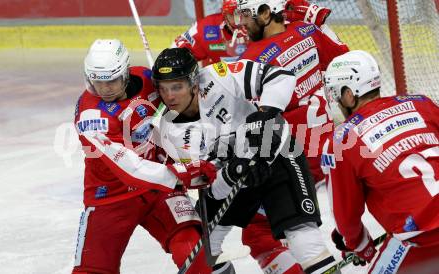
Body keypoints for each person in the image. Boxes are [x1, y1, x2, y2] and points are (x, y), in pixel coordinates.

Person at [151, 47, 339, 274]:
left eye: (176, 87)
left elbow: (280, 76)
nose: (169, 96)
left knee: (302, 239)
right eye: (163, 88)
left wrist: (265, 112)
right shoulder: (169, 131)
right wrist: (232, 173)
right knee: (201, 251)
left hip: (276, 154)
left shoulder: (218, 76)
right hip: (231, 178)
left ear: (193, 82)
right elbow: (211, 189)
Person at [72, 39, 217, 274]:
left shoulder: (146, 79)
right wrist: (179, 173)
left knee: (193, 248)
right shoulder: (92, 118)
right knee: (93, 270)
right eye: (98, 82)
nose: (105, 89)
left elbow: (180, 101)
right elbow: (131, 170)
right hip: (111, 197)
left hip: (157, 189)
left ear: (126, 73)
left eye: (112, 81)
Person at [234, 0, 349, 272]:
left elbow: (246, 120)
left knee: (256, 233)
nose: (241, 23)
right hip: (330, 147)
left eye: (247, 15)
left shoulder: (252, 59)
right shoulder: (307, 32)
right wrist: (318, 22)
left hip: (293, 159)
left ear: (266, 13)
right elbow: (345, 59)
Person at [322, 50, 439, 273]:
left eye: (336, 94)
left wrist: (359, 244)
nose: (336, 102)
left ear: (349, 94)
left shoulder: (341, 139)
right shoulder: (422, 103)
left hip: (420, 242)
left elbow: (346, 219)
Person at [172, 0, 249, 65]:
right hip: (223, 79)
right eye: (234, 14)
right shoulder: (207, 27)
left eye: (246, 14)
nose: (240, 20)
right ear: (224, 14)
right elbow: (175, 51)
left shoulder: (260, 26)